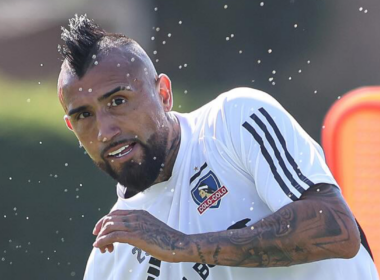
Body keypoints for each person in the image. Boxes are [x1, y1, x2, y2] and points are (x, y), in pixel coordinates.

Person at [57, 15, 378, 280]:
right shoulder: (111, 260)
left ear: (164, 94)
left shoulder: (234, 120)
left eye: (118, 101)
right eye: (84, 115)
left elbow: (336, 228)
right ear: (71, 127)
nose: (105, 130)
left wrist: (180, 244)